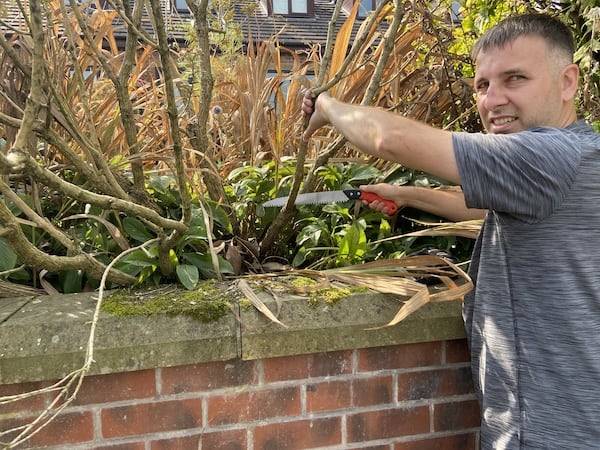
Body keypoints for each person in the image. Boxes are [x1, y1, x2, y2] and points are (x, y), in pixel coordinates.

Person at [301, 12, 600, 450]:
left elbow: (390, 140)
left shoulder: (545, 156)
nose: (493, 99)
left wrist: (327, 106)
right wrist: (407, 195)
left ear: (567, 82)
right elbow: (496, 208)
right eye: (482, 85)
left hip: (545, 429)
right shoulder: (583, 151)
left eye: (515, 78)